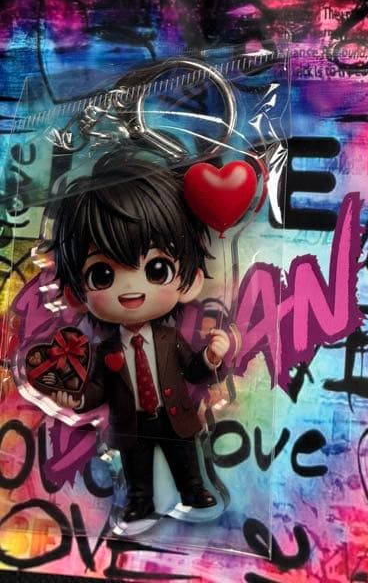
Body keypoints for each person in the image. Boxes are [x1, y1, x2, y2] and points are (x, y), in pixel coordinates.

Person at [41, 156, 229, 524]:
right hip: (131, 423)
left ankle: (194, 490)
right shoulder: (106, 349)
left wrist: (209, 357)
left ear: (190, 281)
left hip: (175, 417)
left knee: (184, 457)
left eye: (157, 269)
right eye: (102, 274)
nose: (131, 289)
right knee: (136, 467)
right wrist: (75, 398)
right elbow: (97, 390)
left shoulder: (170, 339)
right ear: (77, 295)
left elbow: (193, 371)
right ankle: (139, 501)